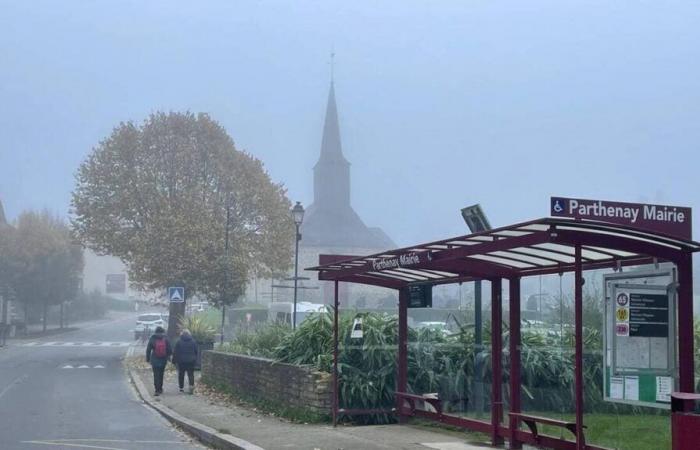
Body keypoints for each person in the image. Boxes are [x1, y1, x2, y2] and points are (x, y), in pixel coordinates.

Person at [146, 326, 172, 396]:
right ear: (163, 331)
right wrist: (168, 357)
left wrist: (148, 359)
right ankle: (160, 388)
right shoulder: (165, 338)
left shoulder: (153, 338)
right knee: (161, 374)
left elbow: (148, 349)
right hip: (163, 359)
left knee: (156, 375)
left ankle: (157, 390)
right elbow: (169, 349)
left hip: (155, 359)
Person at [172, 329, 198, 394]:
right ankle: (191, 387)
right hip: (191, 361)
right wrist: (195, 358)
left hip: (181, 361)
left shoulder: (179, 341)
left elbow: (175, 352)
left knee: (181, 374)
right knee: (191, 374)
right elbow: (196, 351)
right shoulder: (193, 341)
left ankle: (181, 388)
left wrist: (173, 361)